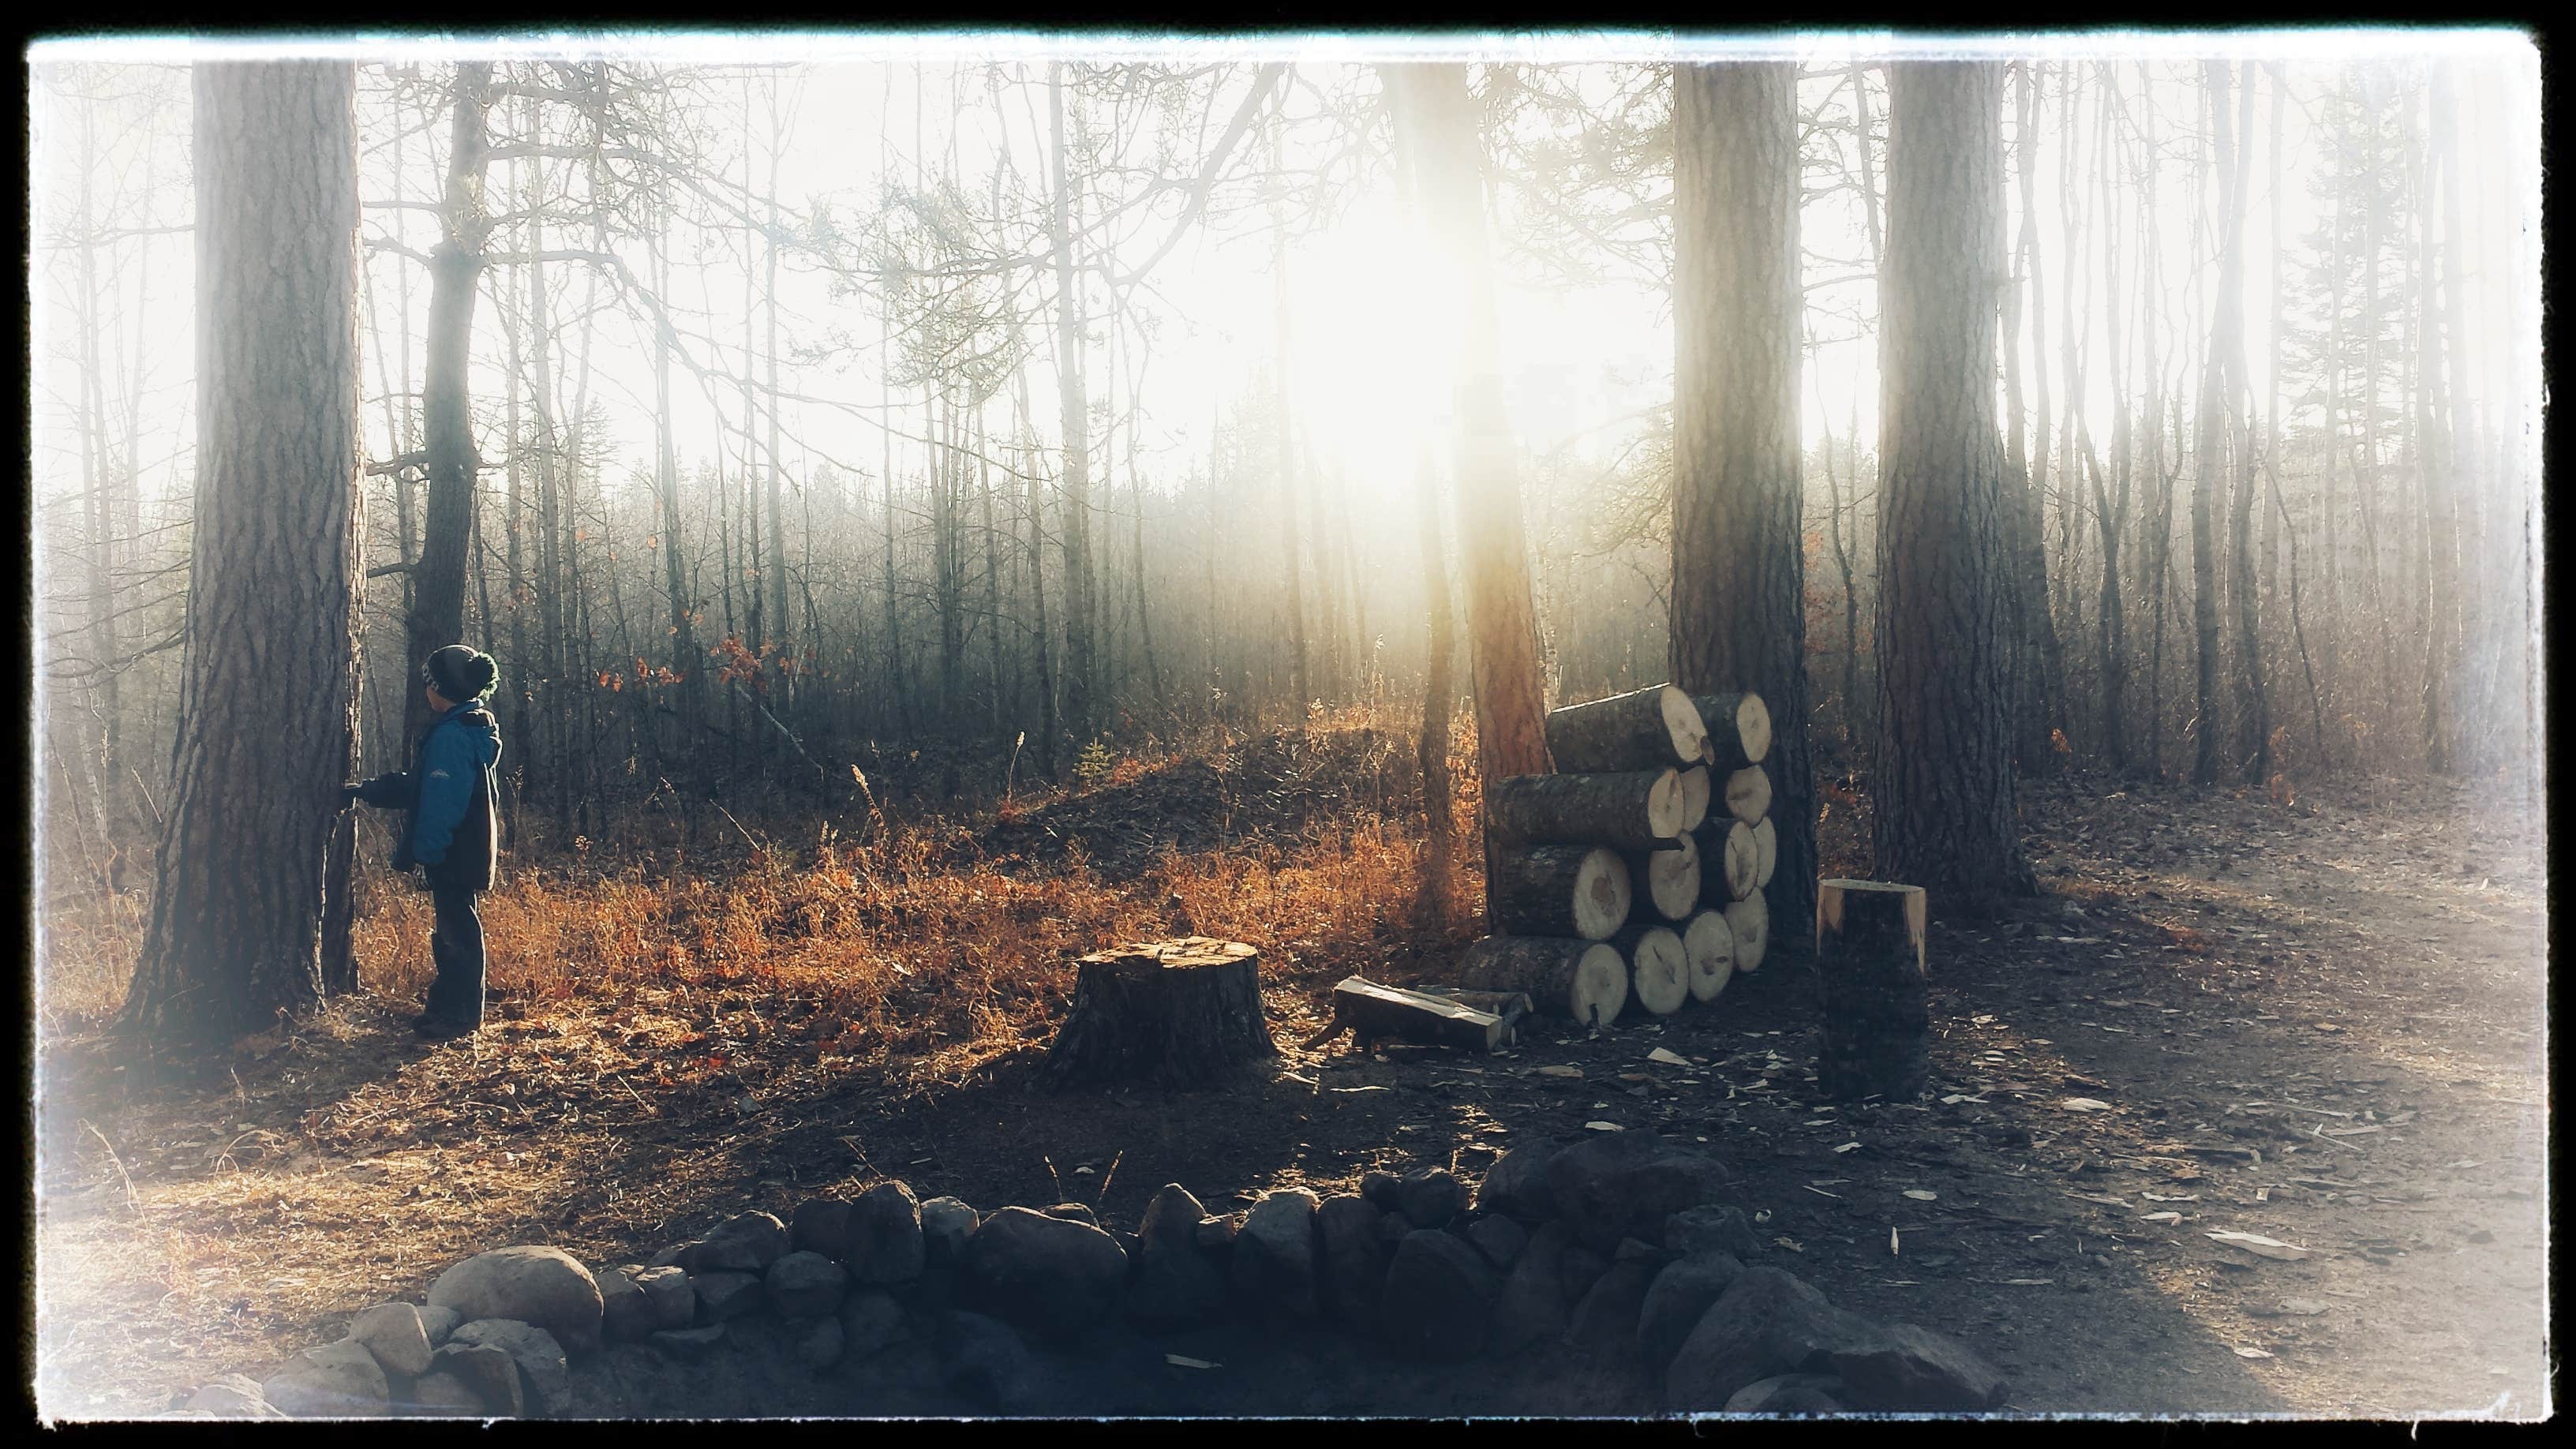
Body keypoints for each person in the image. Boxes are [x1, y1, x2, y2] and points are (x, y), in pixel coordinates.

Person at [346, 646, 504, 1039]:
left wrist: (427, 854)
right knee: (455, 929)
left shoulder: (452, 736)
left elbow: (440, 802)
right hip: (464, 848)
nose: (425, 694)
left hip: (452, 850)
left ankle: (459, 1015)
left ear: (441, 689)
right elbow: (418, 787)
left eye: (428, 686)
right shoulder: (466, 728)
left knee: (456, 934)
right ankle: (450, 1008)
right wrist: (368, 790)